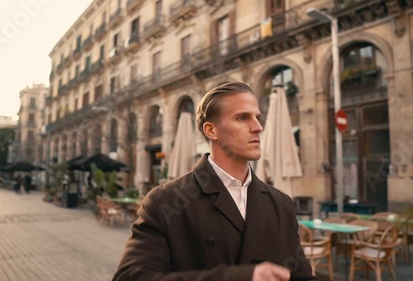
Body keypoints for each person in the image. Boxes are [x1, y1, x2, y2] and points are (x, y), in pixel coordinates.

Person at [113, 82, 320, 281]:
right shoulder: (166, 201)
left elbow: (301, 276)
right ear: (211, 130)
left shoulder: (281, 203)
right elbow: (130, 277)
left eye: (258, 117)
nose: (258, 127)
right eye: (242, 118)